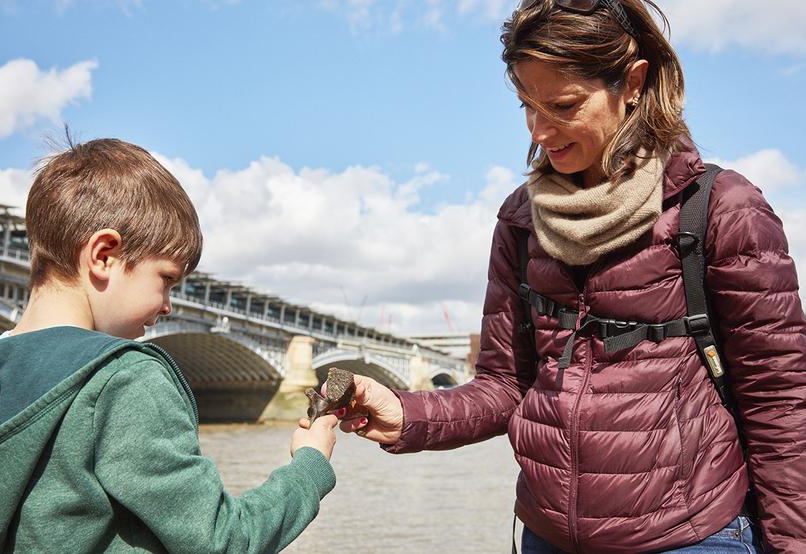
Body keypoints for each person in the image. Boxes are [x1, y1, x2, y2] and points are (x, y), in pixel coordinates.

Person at [330, 1, 806, 552]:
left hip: (690, 536)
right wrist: (408, 414)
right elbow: (504, 386)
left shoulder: (724, 209)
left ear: (632, 82)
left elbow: (781, 405)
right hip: (546, 536)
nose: (539, 129)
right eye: (526, 105)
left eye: (562, 105)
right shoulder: (520, 219)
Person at [0, 138, 340, 553]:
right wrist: (310, 468)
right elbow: (223, 541)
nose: (168, 305)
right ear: (104, 255)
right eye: (166, 279)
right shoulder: (125, 379)